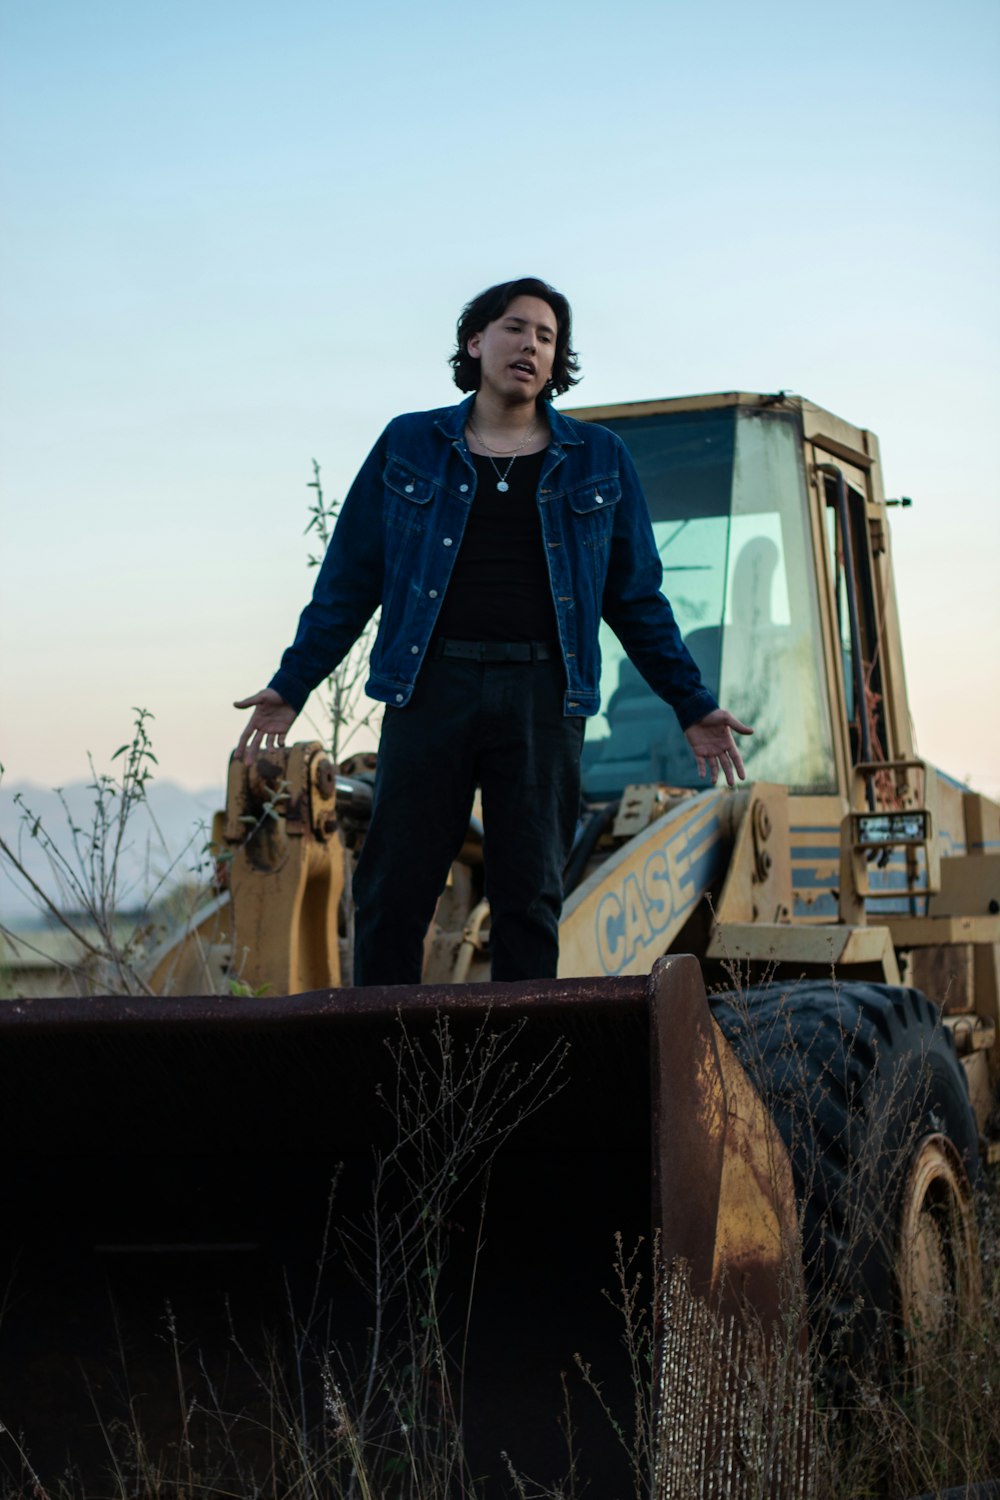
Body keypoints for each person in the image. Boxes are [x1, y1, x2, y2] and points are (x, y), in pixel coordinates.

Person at [235, 276, 752, 985]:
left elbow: (635, 599)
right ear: (476, 342)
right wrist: (292, 684)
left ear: (555, 362)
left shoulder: (599, 459)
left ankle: (516, 1080)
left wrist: (691, 703)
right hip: (430, 690)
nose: (531, 345)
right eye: (516, 328)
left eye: (547, 337)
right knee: (393, 891)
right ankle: (382, 1072)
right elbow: (351, 580)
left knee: (529, 900)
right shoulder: (410, 443)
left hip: (542, 694)